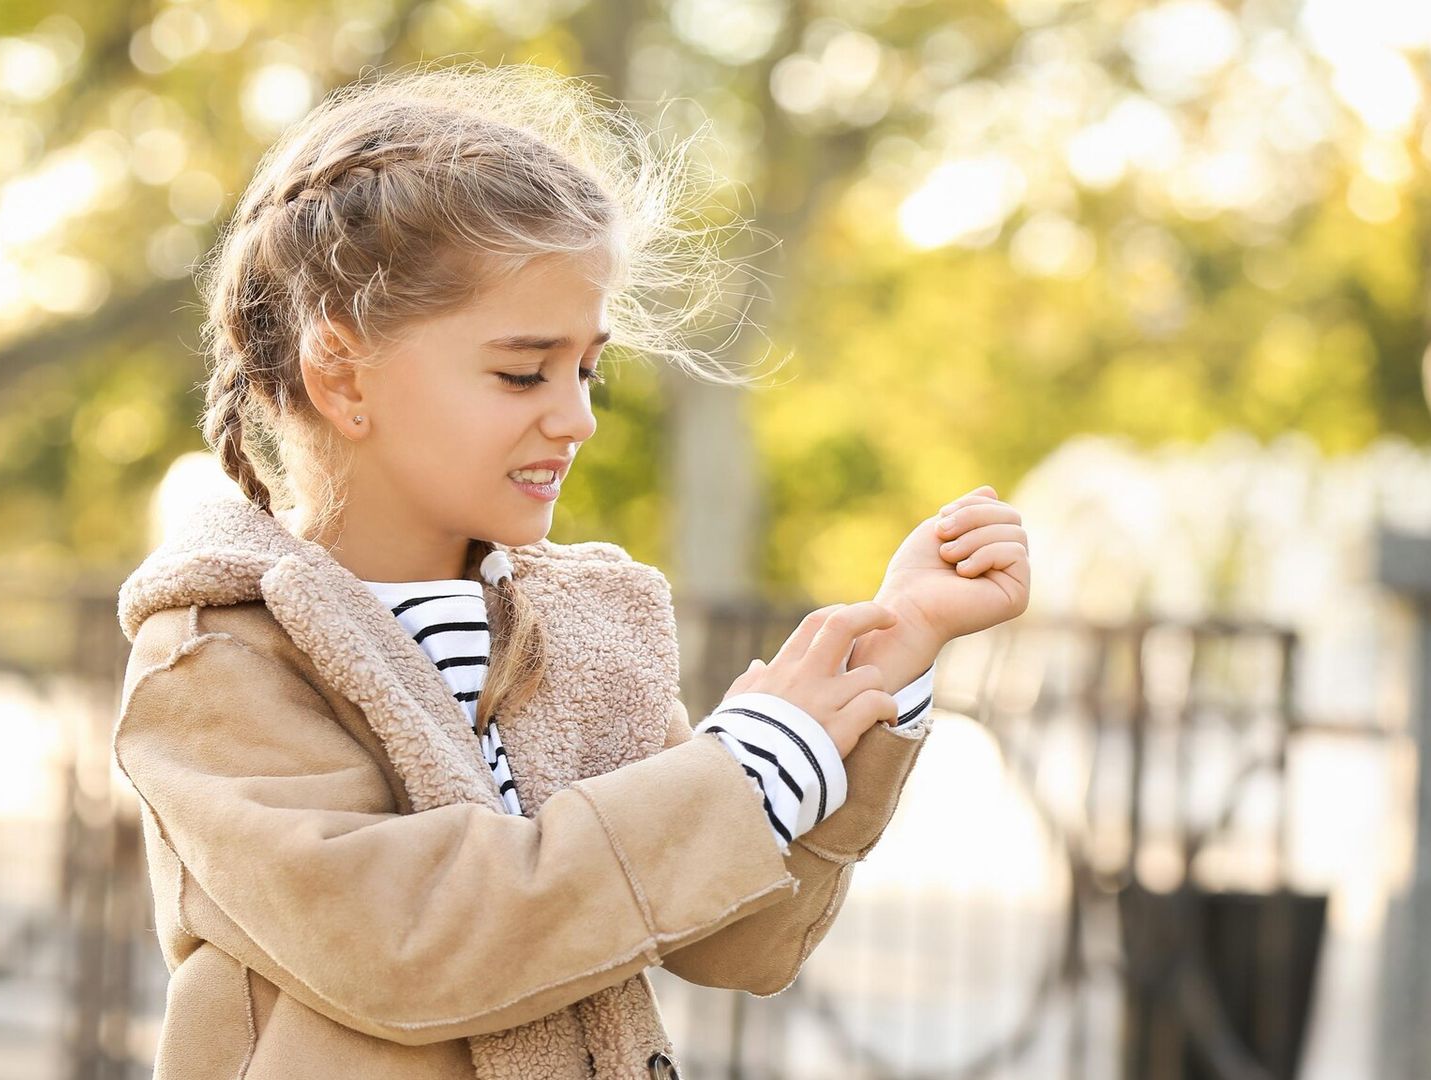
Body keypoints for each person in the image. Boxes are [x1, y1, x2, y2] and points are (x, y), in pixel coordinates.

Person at [112, 60, 1031, 1080]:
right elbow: (410, 942)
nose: (579, 416)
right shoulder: (217, 657)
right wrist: (743, 770)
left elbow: (737, 936)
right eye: (522, 371)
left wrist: (878, 671)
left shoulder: (584, 630)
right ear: (341, 372)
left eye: (587, 368)